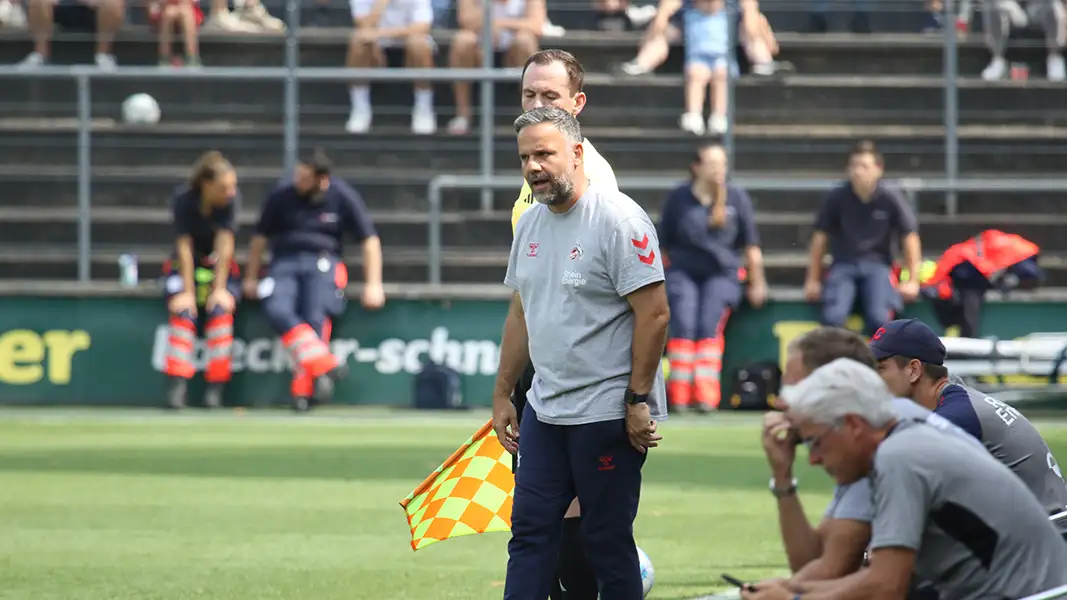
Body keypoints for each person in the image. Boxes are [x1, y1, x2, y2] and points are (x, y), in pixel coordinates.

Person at [493, 106, 669, 600]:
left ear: (576, 152)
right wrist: (504, 392)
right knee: (528, 534)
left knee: (605, 542)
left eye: (544, 153)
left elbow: (655, 315)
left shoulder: (619, 220)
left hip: (606, 413)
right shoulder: (529, 224)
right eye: (525, 157)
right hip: (545, 412)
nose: (533, 166)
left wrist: (637, 401)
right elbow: (521, 313)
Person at [744, 357, 1067, 600]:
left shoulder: (899, 457)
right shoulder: (907, 432)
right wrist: (793, 587)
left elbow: (885, 586)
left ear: (854, 424)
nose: (813, 459)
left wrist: (796, 596)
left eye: (817, 442)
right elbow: (845, 569)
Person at [508, 48, 619, 600]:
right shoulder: (536, 163)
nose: (536, 104)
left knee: (567, 515)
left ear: (577, 103)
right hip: (545, 357)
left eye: (549, 96)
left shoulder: (590, 180)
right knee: (542, 516)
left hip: (579, 374)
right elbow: (527, 289)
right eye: (529, 94)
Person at [761, 326, 983, 585]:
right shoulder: (880, 428)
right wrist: (782, 479)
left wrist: (791, 593)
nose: (781, 402)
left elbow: (865, 581)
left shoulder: (888, 446)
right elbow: (817, 563)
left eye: (793, 388)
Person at [870, 318, 1067, 523]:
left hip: (1045, 537)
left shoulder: (957, 416)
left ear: (914, 370)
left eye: (880, 368)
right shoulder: (957, 404)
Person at [243, 149, 386, 412]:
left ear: (321, 179)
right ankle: (324, 364)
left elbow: (369, 240)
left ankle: (303, 392)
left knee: (316, 316)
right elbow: (260, 238)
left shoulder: (341, 195)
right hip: (284, 262)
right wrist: (251, 276)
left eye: (305, 177)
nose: (299, 181)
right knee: (277, 308)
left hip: (323, 261)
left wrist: (373, 283)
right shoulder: (281, 195)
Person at [658, 142, 766, 412]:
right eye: (712, 162)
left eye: (722, 163)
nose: (719, 169)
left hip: (723, 274)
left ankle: (706, 396)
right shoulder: (678, 198)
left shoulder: (737, 198)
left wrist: (758, 282)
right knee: (683, 322)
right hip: (683, 272)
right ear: (697, 166)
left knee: (708, 324)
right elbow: (662, 246)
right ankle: (679, 395)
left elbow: (751, 246)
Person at [803, 140, 922, 337]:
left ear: (878, 169)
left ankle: (877, 364)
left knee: (879, 319)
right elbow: (819, 238)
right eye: (854, 166)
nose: (858, 171)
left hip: (878, 266)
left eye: (864, 166)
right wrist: (812, 280)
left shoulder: (891, 196)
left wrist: (912, 280)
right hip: (843, 265)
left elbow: (910, 236)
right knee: (833, 318)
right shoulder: (837, 196)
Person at [162, 151, 241, 410]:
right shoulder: (183, 201)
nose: (230, 193)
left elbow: (225, 244)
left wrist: (219, 289)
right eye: (223, 187)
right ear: (206, 185)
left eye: (232, 187)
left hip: (216, 265)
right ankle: (177, 386)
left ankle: (215, 390)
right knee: (182, 311)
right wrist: (187, 291)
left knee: (221, 311)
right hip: (186, 264)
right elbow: (183, 247)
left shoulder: (231, 201)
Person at [445, 0, 546, 135]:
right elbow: (465, 19)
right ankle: (463, 115)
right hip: (477, 51)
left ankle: (532, 114)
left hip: (513, 53)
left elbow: (536, 25)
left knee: (525, 41)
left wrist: (497, 23)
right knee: (463, 40)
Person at [345, 0, 437, 134]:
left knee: (418, 43)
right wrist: (381, 4)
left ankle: (424, 108)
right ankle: (360, 108)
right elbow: (362, 26)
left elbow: (422, 27)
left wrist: (382, 34)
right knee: (358, 41)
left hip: (407, 40)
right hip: (376, 44)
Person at [17, 0, 125, 70]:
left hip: (94, 8)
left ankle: (103, 56)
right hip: (62, 6)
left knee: (113, 3)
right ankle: (40, 56)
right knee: (38, 1)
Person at [979, 0, 1064, 82]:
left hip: (1038, 7)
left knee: (1054, 5)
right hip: (1011, 7)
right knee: (995, 5)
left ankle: (1054, 58)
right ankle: (998, 59)